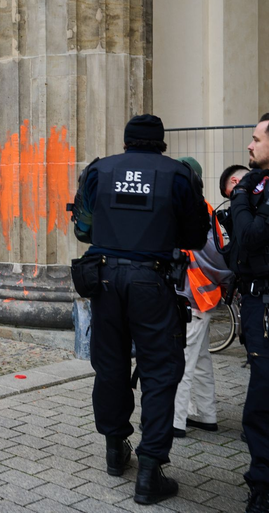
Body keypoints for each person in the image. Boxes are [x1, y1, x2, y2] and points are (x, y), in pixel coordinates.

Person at [71, 115, 209, 505]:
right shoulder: (178, 175)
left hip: (105, 280)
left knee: (110, 365)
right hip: (153, 280)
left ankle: (116, 450)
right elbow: (196, 236)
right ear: (161, 142)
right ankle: (150, 470)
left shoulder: (100, 170)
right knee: (161, 370)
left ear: (127, 140)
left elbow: (82, 229)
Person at [172, 157, 232, 439]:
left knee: (180, 359)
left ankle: (175, 421)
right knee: (200, 358)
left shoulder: (187, 211)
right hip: (203, 298)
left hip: (191, 298)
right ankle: (206, 415)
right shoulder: (206, 209)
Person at [227, 113, 269, 512]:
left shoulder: (256, 189)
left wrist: (240, 197)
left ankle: (263, 487)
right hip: (256, 296)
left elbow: (253, 235)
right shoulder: (259, 184)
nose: (250, 146)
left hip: (266, 304)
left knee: (262, 397)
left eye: (256, 139)